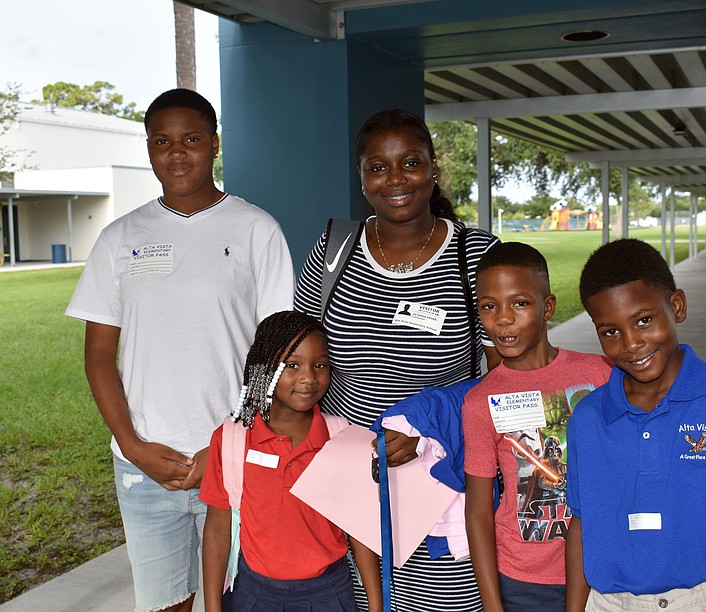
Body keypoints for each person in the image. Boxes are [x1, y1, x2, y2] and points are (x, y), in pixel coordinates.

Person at [65, 88, 294, 612]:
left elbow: (275, 350)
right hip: (145, 464)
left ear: (214, 143)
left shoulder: (256, 228)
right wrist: (133, 444)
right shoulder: (120, 237)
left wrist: (230, 443)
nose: (176, 153)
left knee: (241, 599)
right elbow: (100, 354)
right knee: (166, 604)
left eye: (191, 139)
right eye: (161, 141)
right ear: (148, 149)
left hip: (236, 457)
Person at [294, 108, 499, 611]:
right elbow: (298, 352)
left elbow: (509, 380)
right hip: (345, 487)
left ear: (433, 169)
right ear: (361, 177)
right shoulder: (334, 249)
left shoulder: (477, 256)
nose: (395, 179)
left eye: (410, 162)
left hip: (440, 483)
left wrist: (427, 431)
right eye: (377, 167)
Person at [566, 238, 706, 612]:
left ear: (677, 306)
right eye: (610, 331)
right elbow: (581, 528)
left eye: (643, 320)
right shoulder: (587, 419)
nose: (631, 343)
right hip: (607, 602)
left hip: (704, 600)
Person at [462, 242, 613, 611]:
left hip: (602, 564)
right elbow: (479, 511)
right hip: (524, 581)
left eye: (519, 303)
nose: (502, 319)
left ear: (548, 307)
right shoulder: (480, 401)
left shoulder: (600, 374)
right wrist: (492, 604)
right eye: (488, 306)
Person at [200, 311, 379, 612]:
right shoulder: (231, 439)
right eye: (292, 365)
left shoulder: (342, 439)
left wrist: (376, 605)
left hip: (329, 593)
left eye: (320, 365)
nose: (309, 377)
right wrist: (212, 607)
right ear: (263, 368)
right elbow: (217, 530)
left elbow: (359, 532)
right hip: (254, 594)